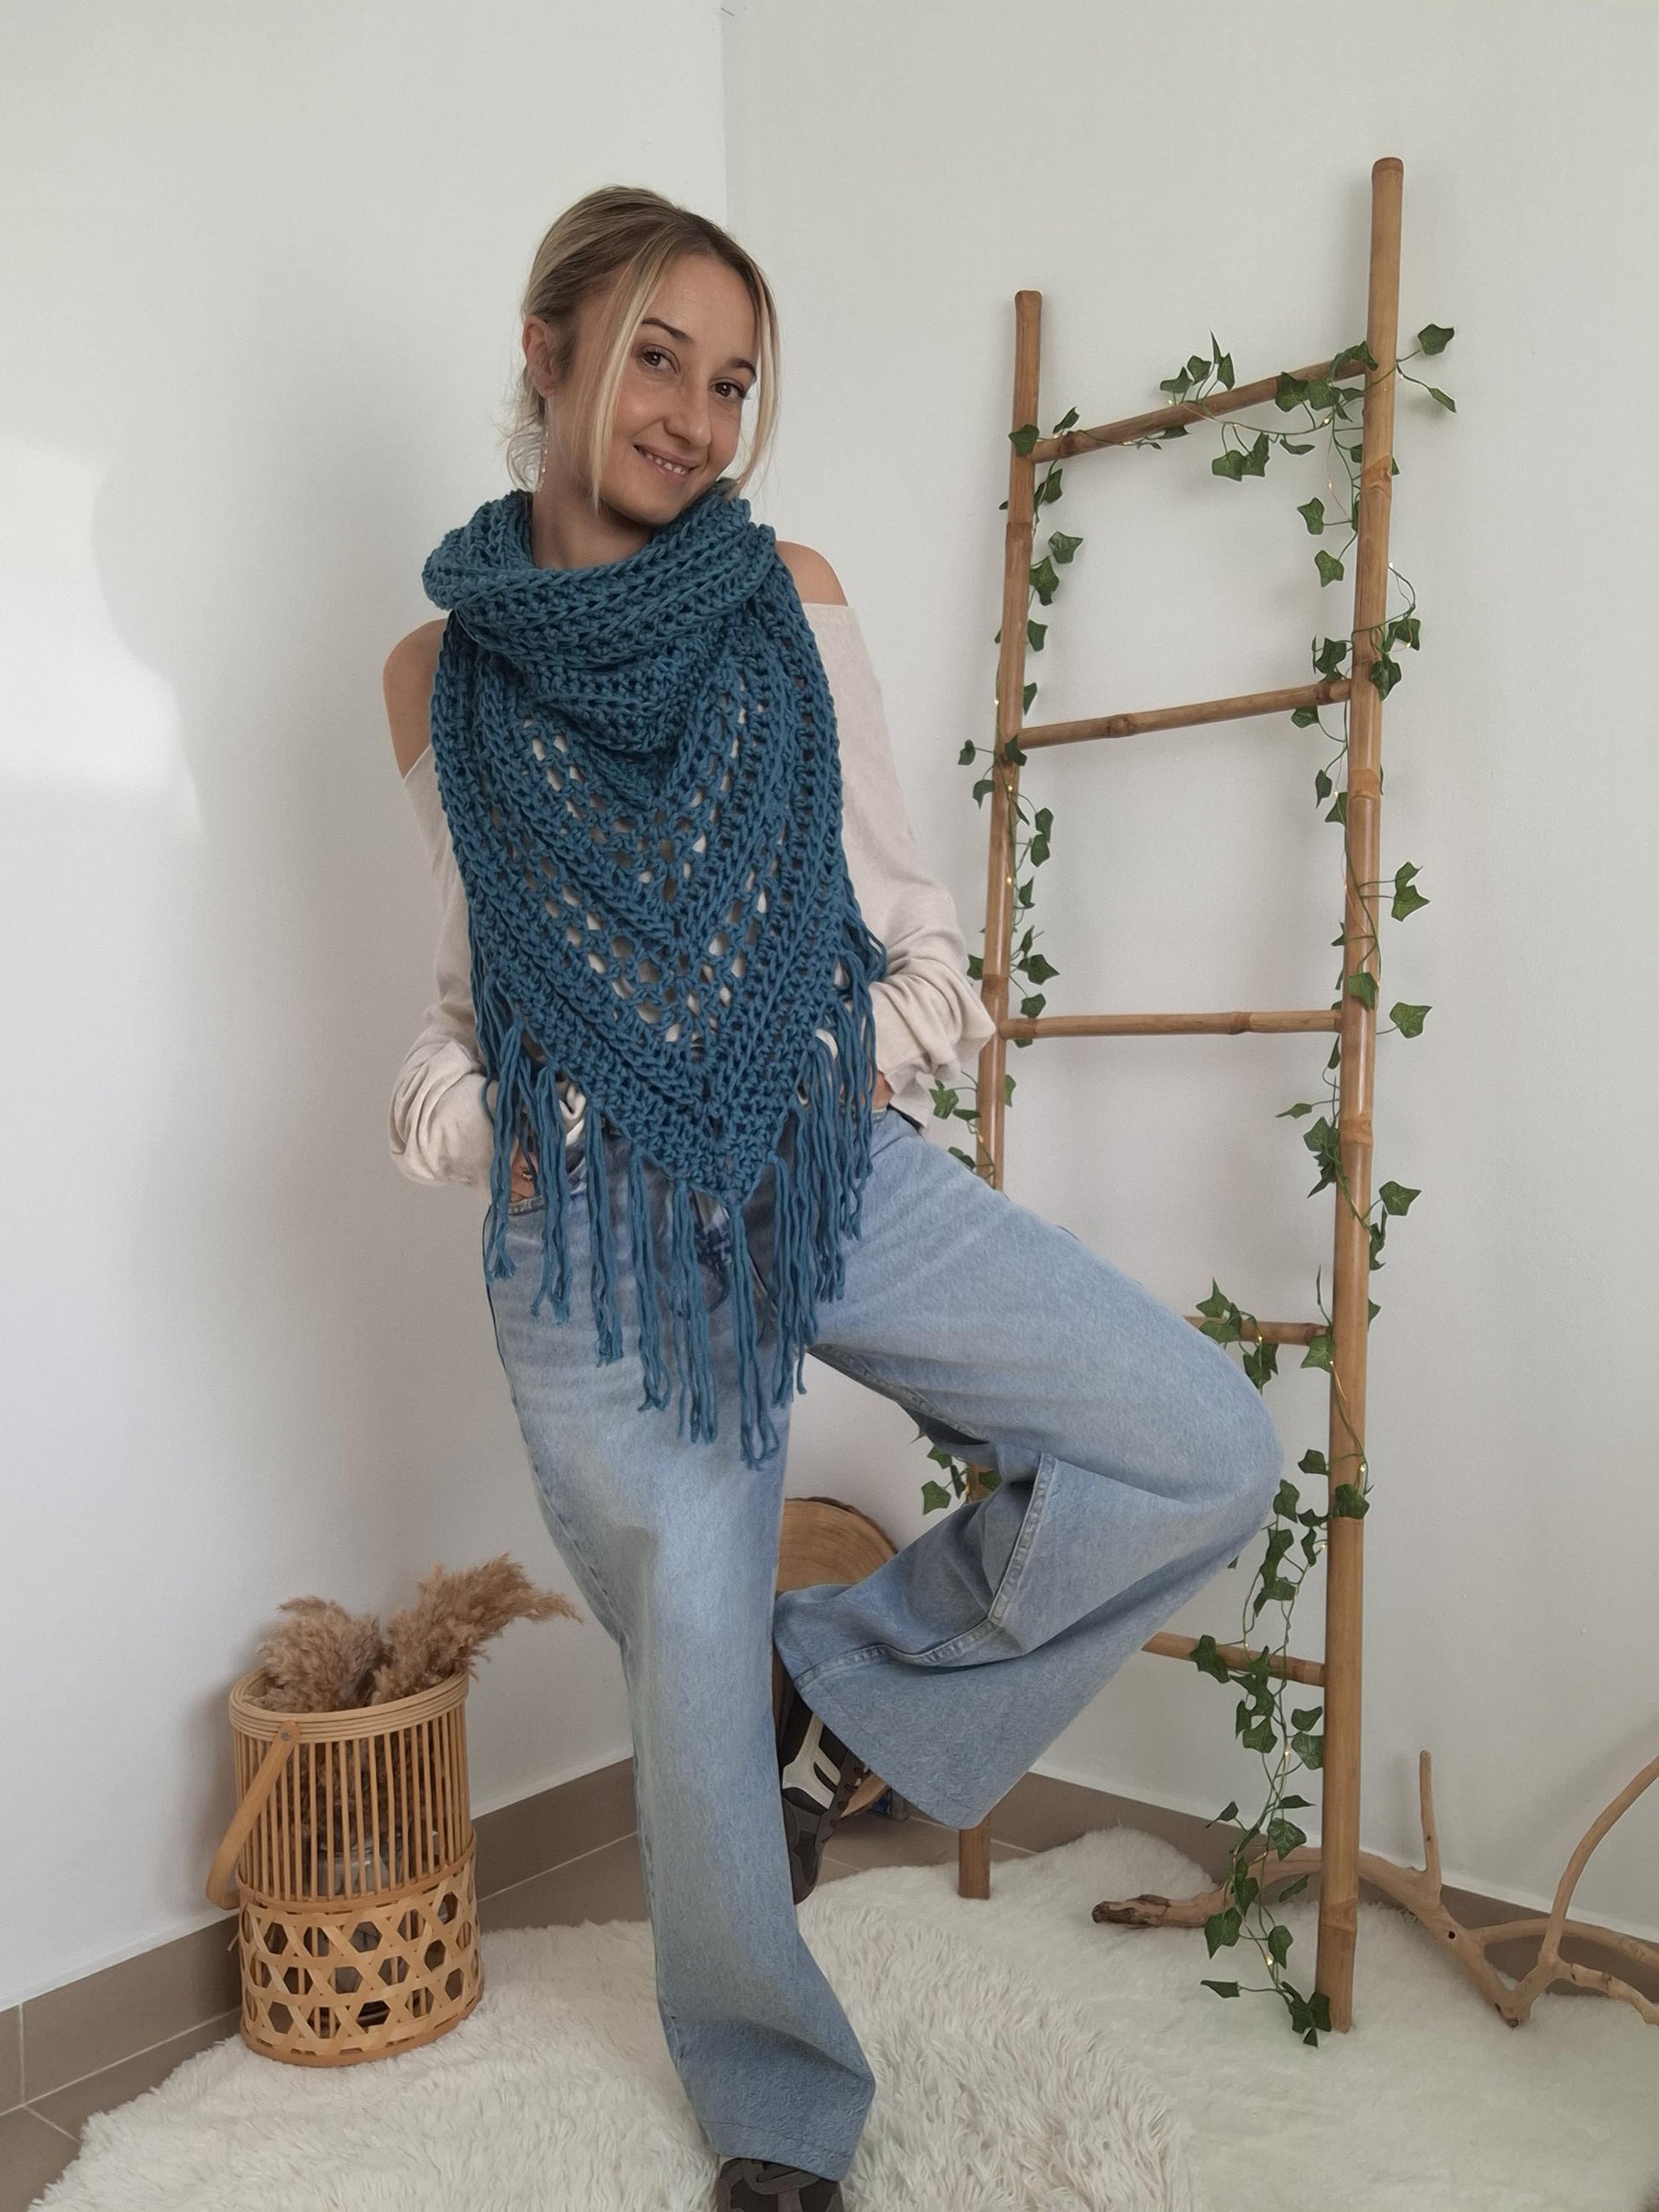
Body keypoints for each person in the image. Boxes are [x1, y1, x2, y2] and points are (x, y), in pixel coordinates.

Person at [383, 185, 1280, 2212]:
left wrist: (803, 1061)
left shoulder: (787, 595)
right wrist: (489, 1122)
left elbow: (921, 939)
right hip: (597, 1242)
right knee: (687, 1682)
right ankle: (780, 2107)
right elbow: (453, 1010)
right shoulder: (438, 674)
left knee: (1197, 1442)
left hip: (823, 1158)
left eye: (732, 382)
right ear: (546, 348)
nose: (694, 417)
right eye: (656, 359)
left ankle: (846, 1681)